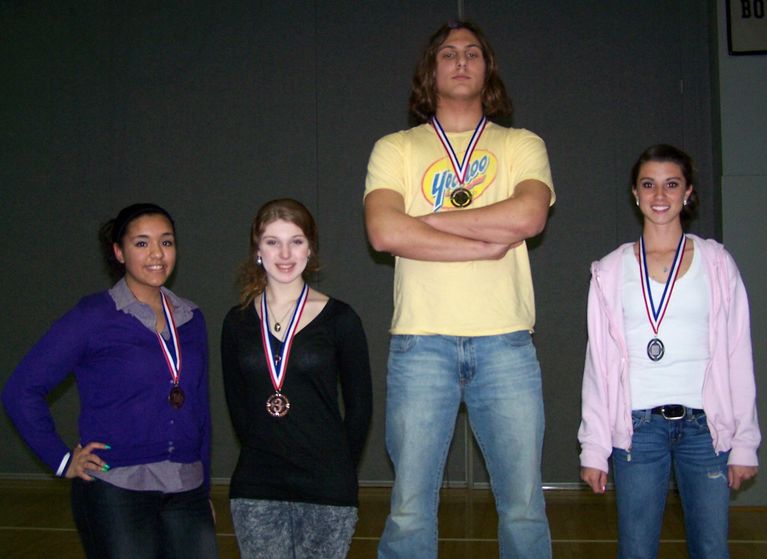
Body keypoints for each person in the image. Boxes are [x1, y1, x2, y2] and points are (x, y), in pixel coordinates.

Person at [364, 20, 555, 559]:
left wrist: (426, 220)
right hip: (421, 343)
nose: (462, 60)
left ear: (487, 69)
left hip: (507, 343)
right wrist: (483, 241)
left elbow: (531, 215)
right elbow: (384, 231)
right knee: (408, 508)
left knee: (523, 505)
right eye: (449, 53)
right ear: (432, 71)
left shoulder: (521, 144)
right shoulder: (395, 148)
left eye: (473, 52)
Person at [2, 203, 218, 558]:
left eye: (166, 243)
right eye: (141, 243)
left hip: (186, 490)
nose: (156, 254)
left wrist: (205, 488)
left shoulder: (191, 318)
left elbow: (199, 408)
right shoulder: (94, 316)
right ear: (118, 252)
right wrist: (60, 459)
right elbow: (21, 389)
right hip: (117, 492)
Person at [578, 144, 761, 559]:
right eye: (649, 185)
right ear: (635, 194)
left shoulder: (717, 263)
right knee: (637, 550)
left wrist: (745, 441)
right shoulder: (609, 271)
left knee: (712, 548)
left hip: (706, 430)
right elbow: (598, 367)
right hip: (638, 430)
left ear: (688, 193)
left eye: (671, 184)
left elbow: (737, 354)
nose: (660, 196)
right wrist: (594, 446)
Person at [221, 198, 372, 559]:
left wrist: (336, 468)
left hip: (326, 485)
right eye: (273, 241)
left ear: (311, 249)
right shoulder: (237, 322)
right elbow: (238, 407)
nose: (285, 253)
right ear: (258, 249)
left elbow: (360, 407)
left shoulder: (341, 319)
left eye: (296, 241)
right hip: (258, 484)